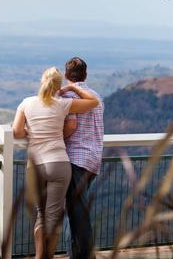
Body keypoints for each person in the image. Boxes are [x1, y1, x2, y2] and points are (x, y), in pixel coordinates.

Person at [12, 67, 100, 259]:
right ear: (58, 85)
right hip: (59, 163)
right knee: (53, 217)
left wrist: (31, 133)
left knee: (41, 215)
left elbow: (17, 132)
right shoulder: (63, 104)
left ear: (41, 81)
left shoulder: (26, 103)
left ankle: (39, 256)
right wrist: (75, 89)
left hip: (35, 165)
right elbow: (94, 102)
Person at [61, 57, 104, 259]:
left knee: (76, 212)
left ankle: (82, 256)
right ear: (85, 74)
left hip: (75, 158)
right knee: (77, 210)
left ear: (66, 75)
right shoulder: (95, 96)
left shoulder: (68, 96)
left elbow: (71, 126)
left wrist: (55, 137)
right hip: (93, 159)